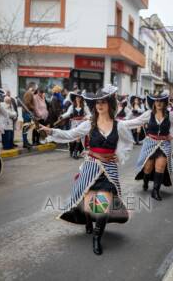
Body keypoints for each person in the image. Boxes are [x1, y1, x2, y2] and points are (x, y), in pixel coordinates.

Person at [39, 84, 134, 255]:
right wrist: (50, 130)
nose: (100, 105)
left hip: (109, 171)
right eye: (98, 102)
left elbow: (128, 144)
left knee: (102, 207)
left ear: (110, 104)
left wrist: (118, 155)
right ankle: (88, 220)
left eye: (104, 102)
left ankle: (97, 238)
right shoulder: (89, 124)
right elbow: (70, 134)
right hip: (90, 168)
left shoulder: (120, 126)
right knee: (92, 207)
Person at [127, 93, 173, 201]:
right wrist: (119, 123)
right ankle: (145, 181)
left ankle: (155, 191)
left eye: (161, 101)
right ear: (154, 103)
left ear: (164, 103)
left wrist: (172, 135)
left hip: (164, 144)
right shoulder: (148, 114)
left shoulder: (170, 115)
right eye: (156, 101)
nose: (159, 103)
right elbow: (136, 121)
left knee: (160, 166)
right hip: (150, 143)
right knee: (148, 167)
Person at [59, 91, 91, 159]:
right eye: (77, 97)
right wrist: (62, 116)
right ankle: (72, 151)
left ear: (81, 98)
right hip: (73, 124)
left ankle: (75, 153)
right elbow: (68, 113)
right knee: (73, 138)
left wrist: (86, 117)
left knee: (78, 137)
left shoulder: (84, 106)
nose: (78, 98)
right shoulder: (72, 106)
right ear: (75, 98)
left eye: (79, 97)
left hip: (81, 124)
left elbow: (89, 114)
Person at [22, 83, 37, 149]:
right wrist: (33, 107)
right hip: (27, 112)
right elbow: (27, 103)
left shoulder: (29, 93)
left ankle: (26, 142)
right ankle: (25, 143)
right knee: (26, 128)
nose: (36, 88)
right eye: (36, 87)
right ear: (32, 87)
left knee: (26, 128)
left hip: (27, 112)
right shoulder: (29, 93)